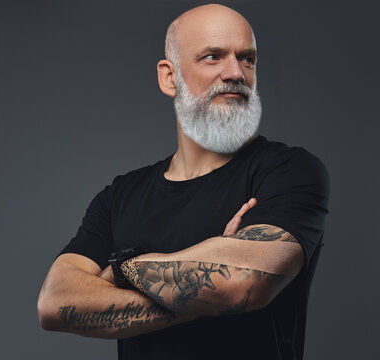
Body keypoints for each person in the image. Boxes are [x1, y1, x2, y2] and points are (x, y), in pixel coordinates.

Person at [37, 3, 330, 360]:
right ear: (169, 77)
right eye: (212, 57)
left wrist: (123, 267)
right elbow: (56, 303)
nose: (235, 72)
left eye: (247, 59)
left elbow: (240, 284)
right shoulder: (119, 196)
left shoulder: (289, 171)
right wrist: (207, 275)